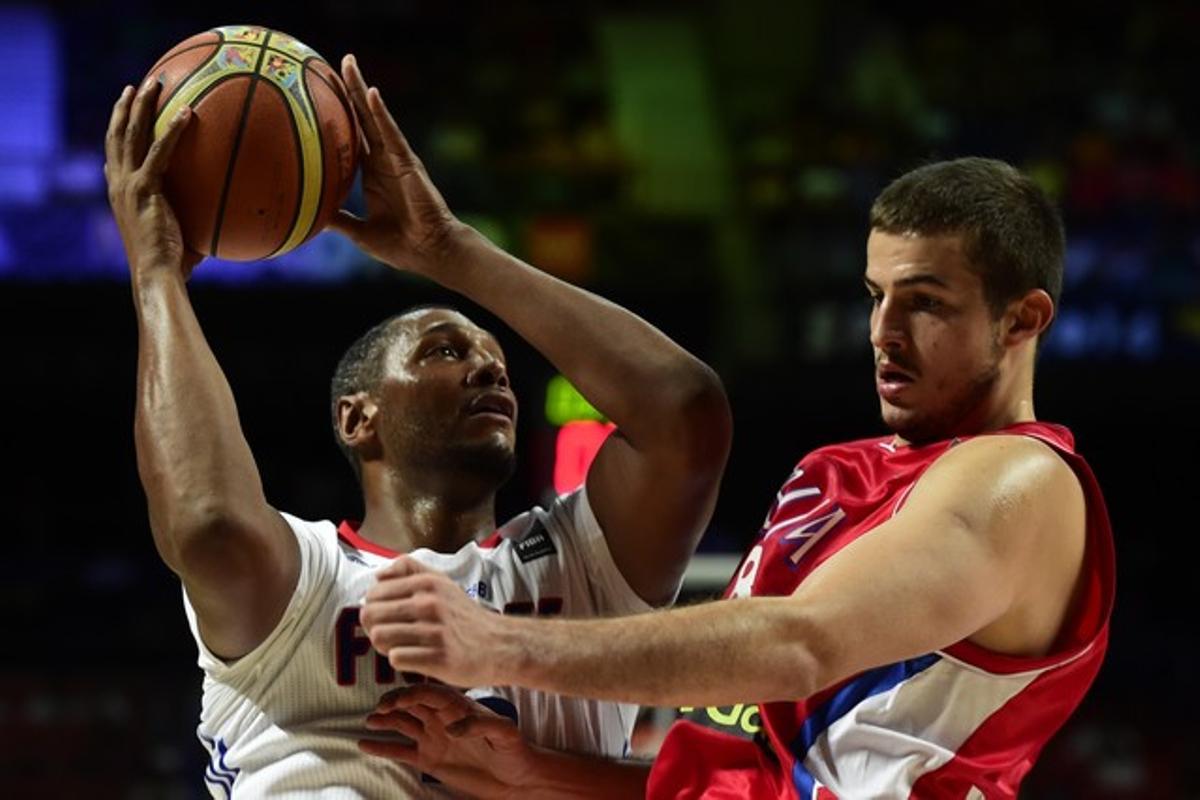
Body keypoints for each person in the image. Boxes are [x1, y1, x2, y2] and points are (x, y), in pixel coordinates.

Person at [359, 157, 1116, 798]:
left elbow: (799, 645)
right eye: (875, 296)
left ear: (1022, 321)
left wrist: (494, 645)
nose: (883, 333)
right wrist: (537, 771)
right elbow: (750, 770)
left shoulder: (1022, 479)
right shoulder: (840, 472)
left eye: (925, 304)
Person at [103, 52, 731, 798]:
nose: (490, 370)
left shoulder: (577, 564)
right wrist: (158, 274)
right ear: (357, 417)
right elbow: (207, 522)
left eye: (497, 360)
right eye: (444, 351)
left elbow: (683, 415)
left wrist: (453, 253)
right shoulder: (309, 576)